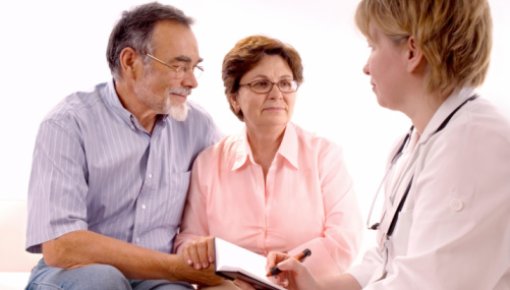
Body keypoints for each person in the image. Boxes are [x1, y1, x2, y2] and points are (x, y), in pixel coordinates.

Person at [260, 0, 510, 289]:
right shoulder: (416, 141)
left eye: (372, 46)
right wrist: (315, 287)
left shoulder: (472, 147)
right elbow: (386, 259)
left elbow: (424, 284)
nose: (366, 67)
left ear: (412, 52)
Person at [24, 2, 224, 289]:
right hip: (74, 272)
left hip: (158, 278)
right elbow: (61, 246)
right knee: (104, 280)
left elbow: (232, 194)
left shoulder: (198, 125)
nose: (192, 81)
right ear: (130, 61)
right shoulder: (67, 124)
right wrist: (177, 268)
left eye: (195, 68)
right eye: (179, 66)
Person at [173, 35, 363, 289]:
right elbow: (188, 240)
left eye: (285, 83)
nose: (276, 94)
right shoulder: (208, 163)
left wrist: (281, 273)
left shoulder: (324, 155)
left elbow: (344, 239)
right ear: (234, 98)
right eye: (262, 84)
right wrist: (199, 252)